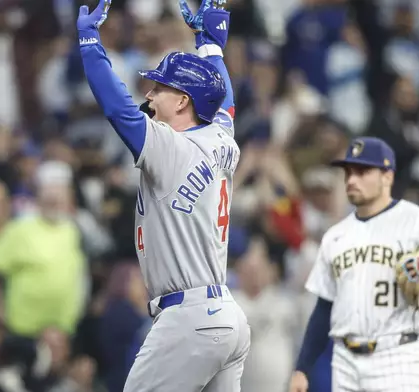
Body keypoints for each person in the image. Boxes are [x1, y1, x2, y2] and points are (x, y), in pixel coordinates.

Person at [77, 0, 250, 391]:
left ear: (184, 100)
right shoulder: (221, 137)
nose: (149, 95)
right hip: (226, 315)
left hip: (189, 321)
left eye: (159, 88)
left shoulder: (170, 148)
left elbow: (118, 109)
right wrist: (211, 46)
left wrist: (90, 43)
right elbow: (224, 102)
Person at [289, 137, 419, 392]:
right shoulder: (335, 236)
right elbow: (324, 308)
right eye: (348, 172)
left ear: (387, 177)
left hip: (397, 356)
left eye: (362, 171)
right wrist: (302, 368)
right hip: (346, 359)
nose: (351, 180)